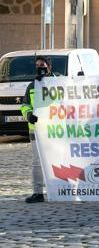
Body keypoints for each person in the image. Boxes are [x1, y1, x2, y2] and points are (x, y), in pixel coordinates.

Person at [21, 56, 54, 203]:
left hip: (55, 129)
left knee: (58, 158)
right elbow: (24, 104)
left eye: (42, 65)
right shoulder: (32, 86)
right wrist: (28, 115)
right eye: (37, 65)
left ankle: (62, 190)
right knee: (36, 162)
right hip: (36, 129)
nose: (39, 67)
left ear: (49, 67)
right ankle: (38, 192)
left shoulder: (59, 83)